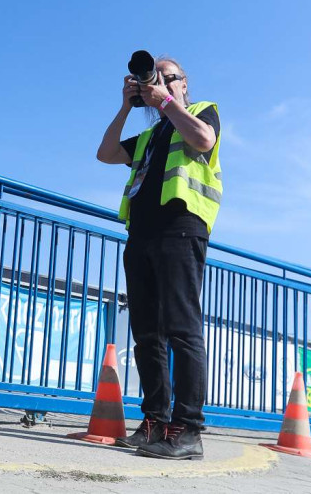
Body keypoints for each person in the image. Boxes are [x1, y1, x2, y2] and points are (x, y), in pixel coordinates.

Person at [95, 58, 222, 460]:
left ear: (185, 85)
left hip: (181, 228)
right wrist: (125, 106)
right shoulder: (150, 135)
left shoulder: (202, 111)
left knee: (183, 330)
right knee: (147, 334)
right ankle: (154, 422)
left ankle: (188, 431)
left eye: (171, 78)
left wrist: (166, 101)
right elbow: (106, 153)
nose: (161, 83)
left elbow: (203, 140)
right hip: (142, 234)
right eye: (155, 78)